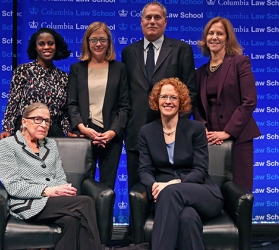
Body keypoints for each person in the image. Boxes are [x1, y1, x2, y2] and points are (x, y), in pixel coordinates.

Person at [0, 102, 101, 250]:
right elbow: (13, 185)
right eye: (38, 119)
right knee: (85, 203)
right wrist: (47, 191)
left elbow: (60, 177)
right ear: (24, 122)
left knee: (72, 220)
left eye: (47, 121)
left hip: (52, 200)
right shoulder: (8, 145)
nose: (44, 124)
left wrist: (63, 191)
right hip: (27, 203)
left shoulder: (50, 144)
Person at [138, 78, 223, 250]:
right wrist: (154, 185)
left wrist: (173, 184)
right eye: (164, 97)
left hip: (201, 192)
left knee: (171, 192)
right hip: (165, 198)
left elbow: (200, 170)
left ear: (181, 101)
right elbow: (144, 170)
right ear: (157, 100)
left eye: (173, 97)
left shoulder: (196, 129)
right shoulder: (146, 132)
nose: (168, 101)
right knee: (188, 218)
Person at [121, 1, 197, 192]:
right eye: (148, 17)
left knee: (169, 190)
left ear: (165, 21)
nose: (152, 21)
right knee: (137, 192)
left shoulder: (181, 49)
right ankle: (137, 224)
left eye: (157, 17)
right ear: (141, 22)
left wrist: (179, 128)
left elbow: (190, 92)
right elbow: (125, 93)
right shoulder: (128, 52)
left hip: (171, 135)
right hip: (136, 133)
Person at [194, 17, 261, 192]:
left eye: (219, 33)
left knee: (240, 191)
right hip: (211, 141)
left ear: (227, 38)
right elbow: (196, 106)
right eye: (210, 33)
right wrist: (204, 129)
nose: (214, 37)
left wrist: (228, 132)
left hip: (238, 137)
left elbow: (249, 101)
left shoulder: (240, 62)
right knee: (213, 191)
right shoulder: (200, 72)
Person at [67, 22, 130, 189]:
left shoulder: (120, 69)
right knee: (81, 186)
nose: (98, 44)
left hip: (111, 137)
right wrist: (82, 128)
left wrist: (112, 132)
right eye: (93, 39)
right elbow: (71, 103)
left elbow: (125, 106)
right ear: (87, 42)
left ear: (109, 42)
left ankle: (105, 216)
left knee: (106, 188)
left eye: (103, 39)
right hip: (84, 135)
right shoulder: (76, 69)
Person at [0, 28, 71, 143]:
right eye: (41, 44)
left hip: (53, 133)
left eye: (50, 43)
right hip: (26, 131)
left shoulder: (63, 77)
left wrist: (68, 131)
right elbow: (13, 103)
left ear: (56, 46)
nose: (46, 47)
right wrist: (7, 129)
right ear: (35, 47)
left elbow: (64, 112)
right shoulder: (23, 71)